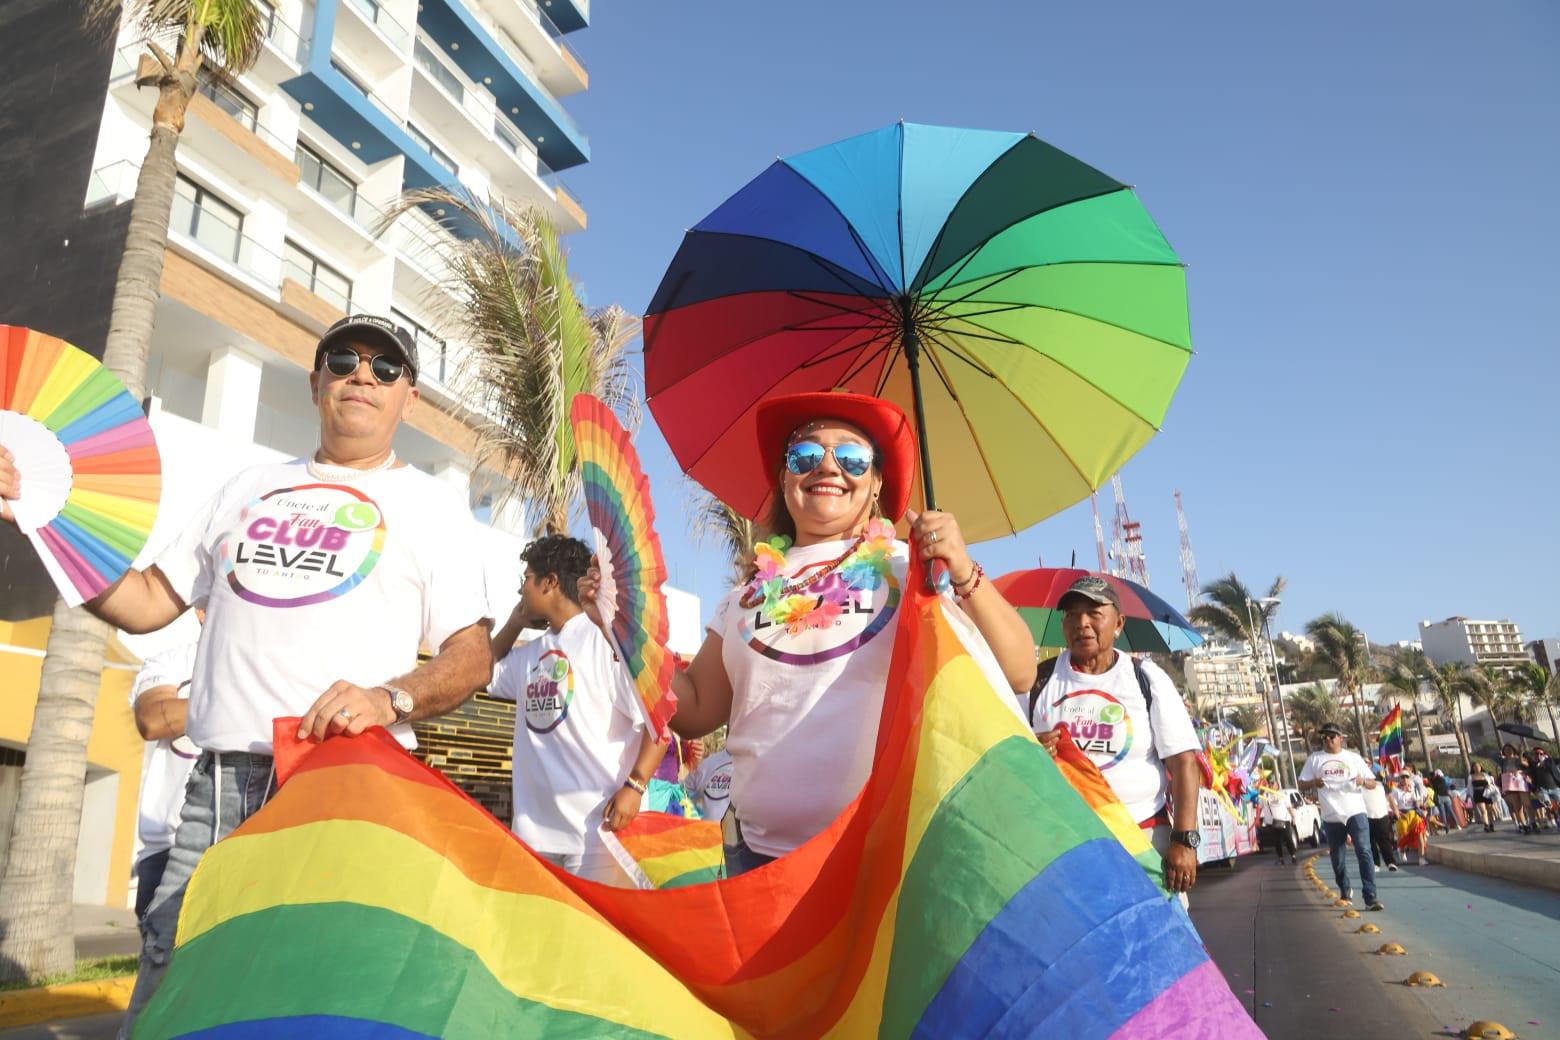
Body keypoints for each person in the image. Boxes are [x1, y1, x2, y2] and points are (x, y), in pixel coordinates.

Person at [2, 313, 496, 1036]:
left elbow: (472, 656)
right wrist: (42, 516)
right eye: (345, 360)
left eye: (385, 368)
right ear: (315, 381)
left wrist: (389, 698)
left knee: (321, 985)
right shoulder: (248, 485)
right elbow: (143, 603)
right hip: (219, 785)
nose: (364, 375)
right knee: (175, 968)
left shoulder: (433, 508)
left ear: (407, 399)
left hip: (344, 783)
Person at [631, 391, 1038, 878]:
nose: (827, 467)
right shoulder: (745, 596)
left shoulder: (911, 572)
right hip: (757, 865)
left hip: (880, 863)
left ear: (876, 484)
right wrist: (628, 630)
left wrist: (963, 568)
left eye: (850, 457)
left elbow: (1019, 670)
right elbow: (694, 709)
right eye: (805, 455)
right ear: (785, 479)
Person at [488, 535, 666, 885]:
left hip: (599, 836)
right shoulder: (530, 652)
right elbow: (482, 673)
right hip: (534, 837)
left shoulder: (606, 637)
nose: (521, 589)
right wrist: (513, 624)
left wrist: (636, 785)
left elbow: (658, 720)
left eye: (526, 578)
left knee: (603, 936)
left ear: (550, 582)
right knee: (541, 936)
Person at [1028, 576, 1204, 898]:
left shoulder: (1145, 678)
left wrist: (1184, 839)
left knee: (1155, 944)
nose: (1082, 623)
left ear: (1119, 623)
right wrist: (1032, 747)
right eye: (1072, 615)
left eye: (1094, 613)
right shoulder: (1038, 679)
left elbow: (1183, 762)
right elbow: (1011, 751)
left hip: (1143, 841)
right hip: (1067, 847)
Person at [128, 634, 200, 920]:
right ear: (201, 610)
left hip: (248, 847)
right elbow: (152, 720)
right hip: (168, 850)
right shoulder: (173, 661)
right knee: (162, 962)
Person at [1298, 723, 1384, 911]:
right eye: (1324, 737)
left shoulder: (1353, 758)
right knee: (1337, 857)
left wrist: (1362, 781)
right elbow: (1301, 784)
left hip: (1355, 811)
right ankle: (1345, 890)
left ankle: (1371, 897)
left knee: (1364, 851)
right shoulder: (1315, 759)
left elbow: (1373, 783)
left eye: (1331, 736)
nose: (1327, 740)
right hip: (1331, 815)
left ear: (1340, 738)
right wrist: (1314, 782)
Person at [1362, 766, 1399, 872]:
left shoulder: (1382, 785)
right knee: (1370, 841)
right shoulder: (1359, 787)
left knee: (1384, 840)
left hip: (1382, 815)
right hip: (1366, 816)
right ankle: (1375, 863)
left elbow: (1390, 798)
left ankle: (1390, 862)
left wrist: (1395, 810)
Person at [1499, 743, 1534, 834]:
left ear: (1513, 749)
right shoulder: (1503, 761)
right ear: (1503, 752)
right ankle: (1524, 825)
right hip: (1510, 784)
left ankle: (1533, 822)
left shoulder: (1519, 759)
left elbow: (1529, 768)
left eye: (1509, 749)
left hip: (1520, 782)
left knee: (1527, 804)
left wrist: (1519, 771)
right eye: (1505, 750)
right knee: (1517, 807)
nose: (1508, 751)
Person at [1258, 787, 1297, 865]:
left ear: (1277, 785)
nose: (1271, 785)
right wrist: (1257, 819)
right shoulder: (1264, 795)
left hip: (1284, 820)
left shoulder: (1282, 794)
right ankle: (1280, 858)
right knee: (1276, 841)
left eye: (1273, 783)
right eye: (1270, 783)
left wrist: (1293, 817)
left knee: (1288, 839)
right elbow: (1259, 807)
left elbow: (1289, 807)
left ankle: (1293, 856)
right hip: (1271, 822)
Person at [1527, 747, 1560, 833]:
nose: (1538, 755)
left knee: (1558, 806)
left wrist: (1543, 762)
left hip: (1555, 788)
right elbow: (1524, 762)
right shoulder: (1532, 764)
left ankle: (1557, 822)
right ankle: (1554, 823)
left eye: (1541, 753)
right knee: (1549, 806)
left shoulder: (1549, 761)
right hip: (1542, 790)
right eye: (1536, 754)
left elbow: (1555, 763)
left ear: (1544, 754)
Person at [1470, 761, 1498, 832]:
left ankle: (1491, 824)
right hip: (1477, 794)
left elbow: (1491, 783)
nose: (1477, 768)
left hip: (1486, 793)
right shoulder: (1471, 776)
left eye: (1478, 766)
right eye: (1475, 767)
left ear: (1481, 767)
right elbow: (1469, 788)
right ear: (1473, 768)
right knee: (1483, 810)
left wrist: (1489, 786)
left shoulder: (1485, 775)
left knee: (1489, 810)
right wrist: (1471, 796)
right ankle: (1486, 825)